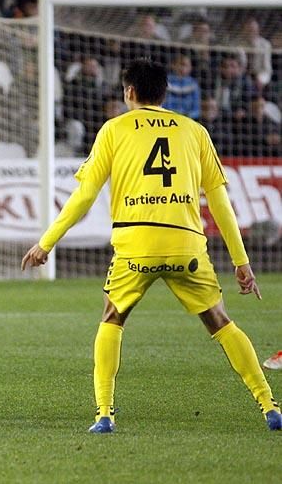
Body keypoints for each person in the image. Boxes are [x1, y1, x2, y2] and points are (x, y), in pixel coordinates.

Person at [20, 59, 282, 434]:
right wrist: (242, 262)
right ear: (165, 92)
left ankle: (105, 415)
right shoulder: (195, 131)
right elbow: (221, 203)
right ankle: (269, 406)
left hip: (136, 243)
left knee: (112, 317)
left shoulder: (113, 130)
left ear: (129, 91)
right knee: (221, 323)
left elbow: (84, 197)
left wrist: (46, 243)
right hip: (186, 245)